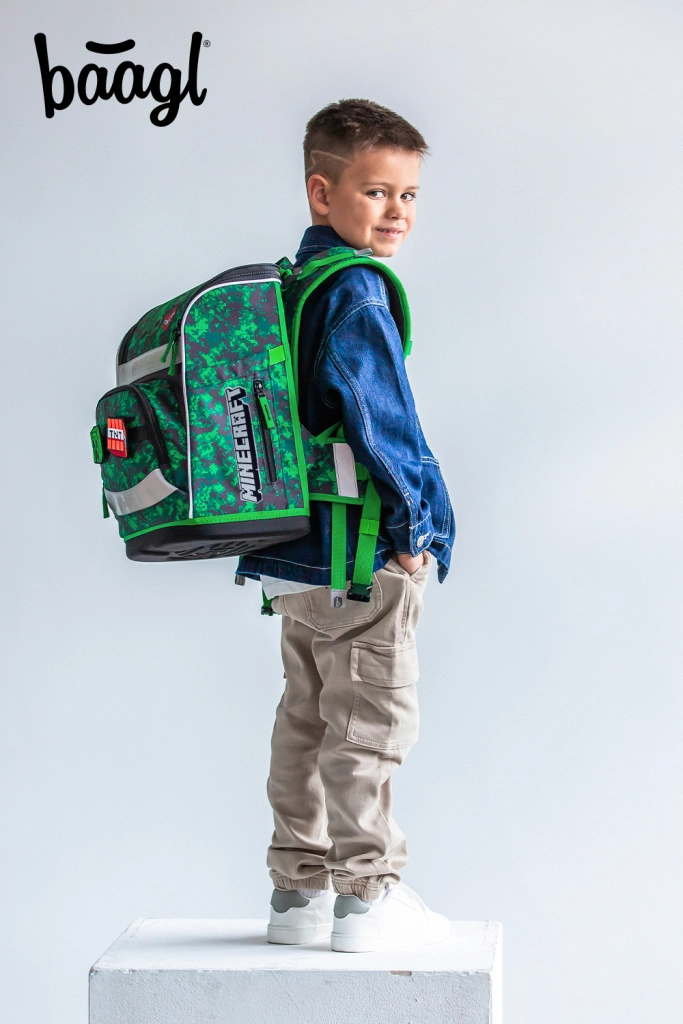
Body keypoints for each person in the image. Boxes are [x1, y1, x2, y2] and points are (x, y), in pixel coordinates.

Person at [237, 99, 455, 953]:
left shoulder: (290, 285)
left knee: (304, 719)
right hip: (359, 553)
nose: (396, 211)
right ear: (321, 193)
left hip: (291, 555)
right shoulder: (357, 291)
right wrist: (414, 535)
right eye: (376, 191)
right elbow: (381, 424)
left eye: (408, 194)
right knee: (368, 723)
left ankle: (298, 893)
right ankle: (366, 896)